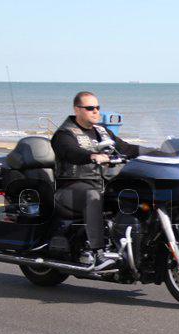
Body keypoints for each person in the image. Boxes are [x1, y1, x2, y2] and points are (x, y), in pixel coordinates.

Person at [51, 91, 142, 269]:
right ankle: (98, 253)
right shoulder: (64, 134)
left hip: (101, 184)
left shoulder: (102, 131)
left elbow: (126, 148)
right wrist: (92, 155)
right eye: (90, 108)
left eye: (97, 107)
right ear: (77, 109)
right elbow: (71, 152)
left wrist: (159, 151)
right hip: (70, 188)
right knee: (92, 196)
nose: (95, 111)